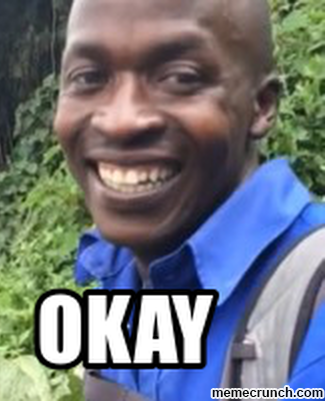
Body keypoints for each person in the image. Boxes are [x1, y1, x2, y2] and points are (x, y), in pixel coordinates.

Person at [53, 0, 325, 399]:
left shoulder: (312, 298)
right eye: (89, 77)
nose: (121, 121)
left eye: (180, 78)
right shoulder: (118, 275)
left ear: (261, 106)